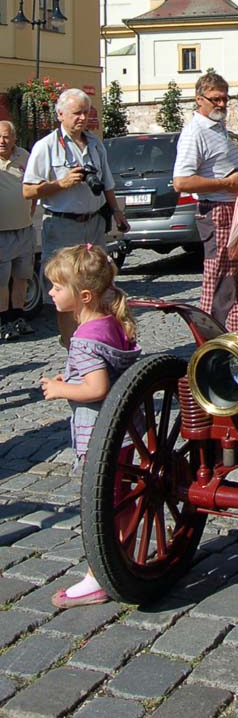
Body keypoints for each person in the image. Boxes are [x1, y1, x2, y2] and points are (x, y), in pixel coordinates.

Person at [39, 244, 140, 607]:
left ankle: (98, 576)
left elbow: (96, 388)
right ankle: (125, 555)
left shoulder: (84, 338)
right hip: (127, 431)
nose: (51, 292)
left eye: (57, 287)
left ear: (84, 295)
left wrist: (59, 389)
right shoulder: (110, 322)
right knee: (122, 497)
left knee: (102, 504)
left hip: (100, 433)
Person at [22, 89, 130, 345]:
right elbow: (28, 190)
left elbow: (107, 183)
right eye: (77, 113)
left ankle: (97, 343)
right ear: (60, 114)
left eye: (86, 113)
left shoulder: (95, 144)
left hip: (93, 223)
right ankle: (73, 348)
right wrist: (61, 184)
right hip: (62, 225)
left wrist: (117, 212)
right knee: (67, 291)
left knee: (99, 286)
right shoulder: (46, 146)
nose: (82, 118)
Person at [173, 73, 238, 331]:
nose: (221, 104)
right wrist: (225, 184)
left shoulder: (218, 127)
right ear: (199, 100)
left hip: (234, 210)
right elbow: (181, 182)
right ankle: (209, 339)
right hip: (217, 211)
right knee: (219, 281)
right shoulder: (194, 132)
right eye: (215, 99)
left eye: (225, 99)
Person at [0, 121, 35, 340]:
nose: (2, 141)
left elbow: (34, 184)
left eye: (6, 136)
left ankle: (19, 318)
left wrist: (31, 210)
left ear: (14, 138)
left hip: (24, 228)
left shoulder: (24, 156)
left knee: (22, 276)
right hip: (1, 231)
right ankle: (4, 322)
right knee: (1, 281)